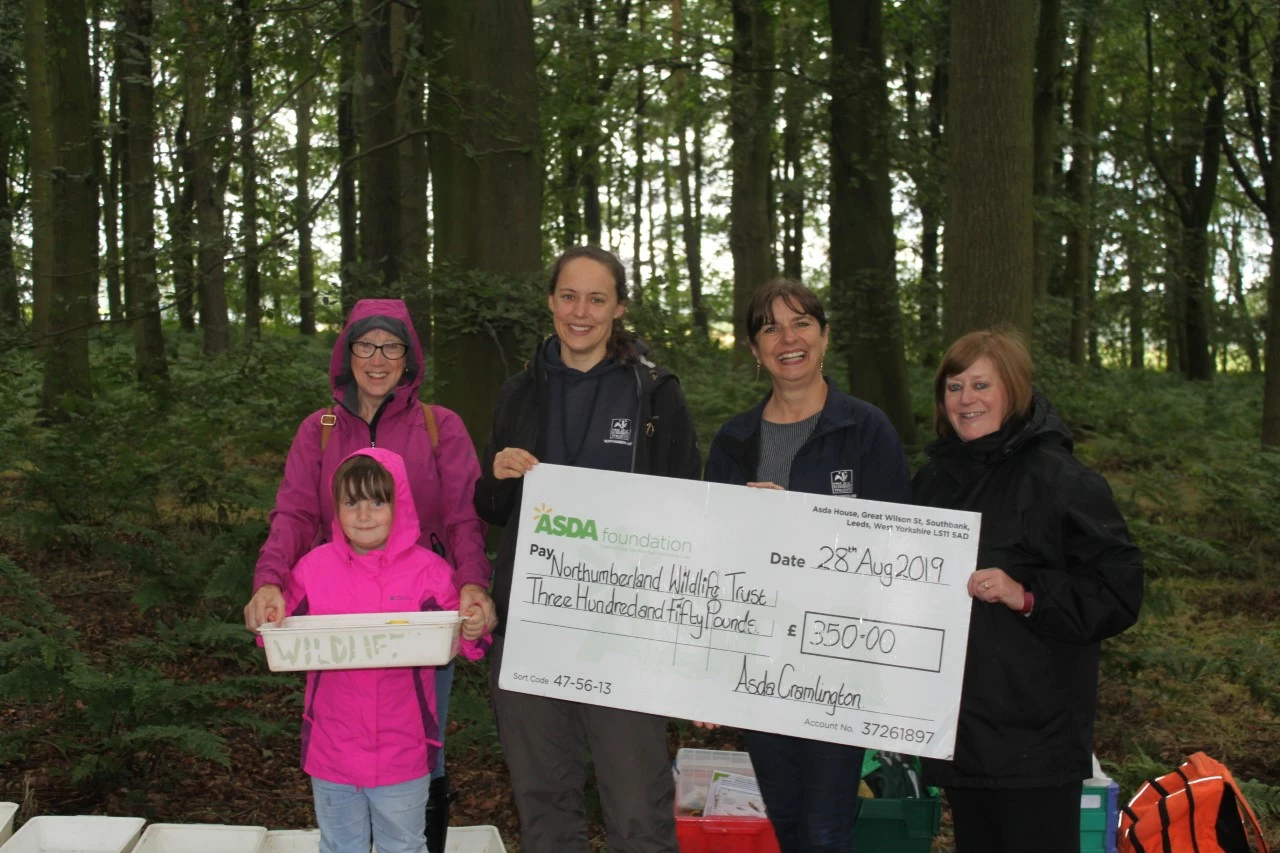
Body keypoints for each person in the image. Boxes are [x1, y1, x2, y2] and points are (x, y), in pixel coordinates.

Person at [243, 298, 496, 851]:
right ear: (346, 352)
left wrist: (472, 584)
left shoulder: (439, 426)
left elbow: (462, 515)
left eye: (391, 346)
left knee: (421, 741)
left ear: (410, 357)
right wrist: (269, 581)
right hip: (336, 608)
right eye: (365, 345)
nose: (377, 359)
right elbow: (293, 513)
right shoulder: (322, 428)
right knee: (343, 732)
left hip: (421, 611)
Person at [474, 245, 702, 853]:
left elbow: (692, 513)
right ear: (550, 301)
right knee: (545, 803)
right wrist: (497, 475)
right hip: (531, 622)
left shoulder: (655, 395)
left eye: (597, 298)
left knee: (636, 807)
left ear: (618, 308)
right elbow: (492, 510)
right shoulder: (519, 393)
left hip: (624, 631)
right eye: (568, 296)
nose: (581, 311)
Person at [912, 329, 1143, 853]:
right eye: (953, 386)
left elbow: (1119, 589)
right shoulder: (934, 480)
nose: (966, 399)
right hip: (960, 731)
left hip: (1036, 735)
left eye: (980, 385)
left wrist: (1028, 594)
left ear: (1013, 390)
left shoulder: (1061, 479)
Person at [703, 278, 912, 853]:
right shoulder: (734, 440)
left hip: (839, 658)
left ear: (824, 337)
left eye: (801, 323)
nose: (787, 338)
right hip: (760, 659)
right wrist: (706, 673)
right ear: (753, 348)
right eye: (770, 327)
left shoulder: (866, 429)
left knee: (825, 831)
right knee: (790, 824)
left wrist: (796, 520)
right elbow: (712, 559)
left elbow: (899, 546)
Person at [280, 448, 490, 853]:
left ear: (401, 504)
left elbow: (465, 635)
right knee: (340, 846)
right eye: (352, 502)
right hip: (331, 750)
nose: (364, 514)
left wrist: (474, 626)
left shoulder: (428, 572)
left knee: (405, 846)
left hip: (403, 750)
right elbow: (279, 629)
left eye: (378, 501)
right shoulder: (312, 569)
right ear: (335, 507)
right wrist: (266, 614)